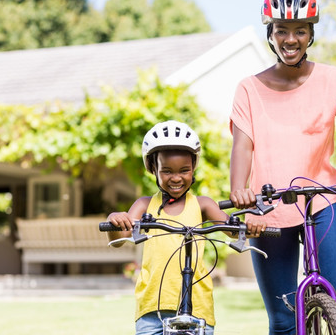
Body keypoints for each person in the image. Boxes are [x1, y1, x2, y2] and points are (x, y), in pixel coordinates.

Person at [229, 0, 336, 335]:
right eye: (282, 30)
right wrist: (239, 191)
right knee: (284, 318)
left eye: (300, 30)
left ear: (311, 34)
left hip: (322, 200)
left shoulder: (334, 80)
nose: (291, 39)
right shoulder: (248, 89)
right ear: (270, 34)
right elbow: (242, 146)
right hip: (268, 207)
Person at [107, 120, 267, 335]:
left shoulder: (203, 205)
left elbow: (233, 228)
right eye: (167, 171)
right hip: (153, 308)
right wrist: (116, 219)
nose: (176, 178)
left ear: (193, 168)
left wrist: (252, 223)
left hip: (197, 307)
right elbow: (121, 235)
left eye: (184, 170)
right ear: (153, 168)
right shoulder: (145, 205)